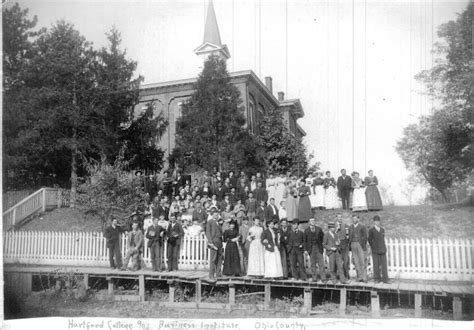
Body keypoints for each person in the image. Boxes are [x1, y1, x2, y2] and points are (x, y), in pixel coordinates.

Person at [368, 215, 390, 283]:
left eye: (378, 221)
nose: (377, 222)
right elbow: (369, 239)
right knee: (376, 265)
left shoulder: (382, 229)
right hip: (375, 250)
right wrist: (373, 247)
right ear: (374, 222)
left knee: (384, 265)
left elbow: (382, 239)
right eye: (376, 221)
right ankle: (377, 279)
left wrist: (383, 247)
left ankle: (385, 279)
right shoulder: (371, 230)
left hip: (382, 250)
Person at [348, 215, 368, 282]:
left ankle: (364, 277)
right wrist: (350, 244)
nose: (354, 220)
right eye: (353, 218)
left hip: (360, 244)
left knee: (362, 261)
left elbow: (365, 237)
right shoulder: (350, 227)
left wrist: (362, 244)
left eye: (355, 218)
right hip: (353, 244)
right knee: (356, 262)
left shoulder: (362, 227)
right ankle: (359, 277)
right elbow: (349, 236)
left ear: (358, 219)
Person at [205, 210, 223, 280]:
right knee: (213, 259)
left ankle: (218, 273)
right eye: (215, 215)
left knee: (219, 258)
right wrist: (210, 242)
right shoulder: (210, 222)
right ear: (212, 215)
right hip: (213, 242)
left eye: (217, 215)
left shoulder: (218, 222)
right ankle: (211, 274)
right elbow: (208, 232)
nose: (217, 216)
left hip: (219, 242)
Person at [336, 213, 351, 279]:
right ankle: (340, 275)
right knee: (338, 262)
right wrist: (336, 229)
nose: (340, 218)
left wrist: (347, 237)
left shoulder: (345, 225)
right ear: (336, 218)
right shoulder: (334, 226)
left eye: (341, 217)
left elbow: (348, 234)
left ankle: (347, 275)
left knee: (346, 261)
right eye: (339, 217)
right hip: (338, 246)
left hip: (345, 244)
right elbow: (331, 235)